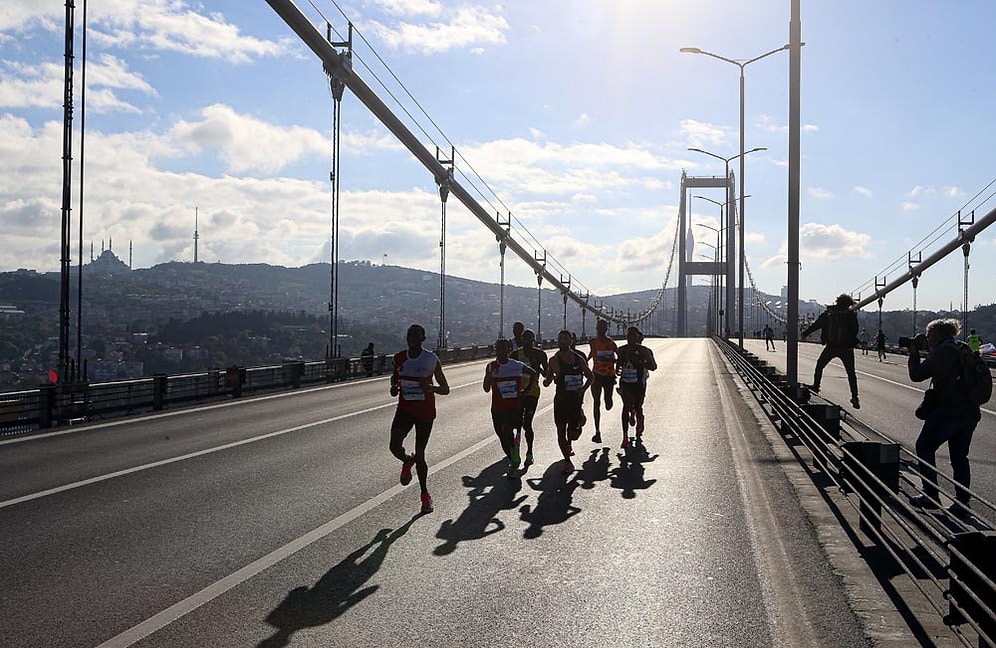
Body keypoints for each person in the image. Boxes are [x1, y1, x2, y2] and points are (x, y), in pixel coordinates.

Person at [906, 318, 982, 518]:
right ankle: (962, 503)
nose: (927, 339)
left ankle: (931, 495)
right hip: (970, 411)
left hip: (948, 411)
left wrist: (914, 354)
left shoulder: (943, 352)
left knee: (924, 447)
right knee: (959, 456)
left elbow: (917, 375)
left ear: (937, 335)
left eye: (929, 335)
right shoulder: (963, 347)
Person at [389, 324, 450, 514]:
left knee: (421, 454)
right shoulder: (399, 358)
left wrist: (430, 389)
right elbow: (395, 377)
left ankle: (425, 495)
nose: (412, 339)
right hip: (405, 409)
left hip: (425, 413)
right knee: (393, 446)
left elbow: (445, 389)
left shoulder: (431, 359)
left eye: (416, 336)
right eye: (409, 335)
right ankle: (407, 460)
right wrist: (394, 387)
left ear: (423, 339)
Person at [483, 338, 536, 477]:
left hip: (514, 407)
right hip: (497, 408)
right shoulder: (491, 366)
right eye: (498, 348)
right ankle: (513, 457)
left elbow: (533, 373)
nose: (500, 351)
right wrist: (490, 375)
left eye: (503, 349)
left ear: (508, 350)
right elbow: (486, 389)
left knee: (506, 429)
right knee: (501, 436)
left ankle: (514, 456)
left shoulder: (516, 365)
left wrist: (526, 390)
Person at [544, 330, 593, 473]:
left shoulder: (578, 359)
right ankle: (567, 461)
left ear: (571, 341)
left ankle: (579, 422)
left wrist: (583, 390)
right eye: (560, 339)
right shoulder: (553, 360)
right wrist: (547, 380)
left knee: (573, 434)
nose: (562, 341)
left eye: (566, 339)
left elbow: (590, 377)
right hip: (560, 401)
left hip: (575, 401)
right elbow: (547, 381)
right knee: (560, 432)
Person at [801, 293, 861, 409]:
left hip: (831, 346)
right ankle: (854, 396)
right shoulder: (851, 315)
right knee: (851, 373)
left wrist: (805, 334)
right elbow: (855, 330)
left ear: (837, 302)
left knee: (820, 366)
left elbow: (816, 325)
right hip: (846, 348)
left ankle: (816, 386)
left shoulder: (829, 314)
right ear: (849, 304)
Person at [510, 328, 548, 466]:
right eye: (524, 341)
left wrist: (538, 367)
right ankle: (517, 446)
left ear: (533, 341)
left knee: (527, 424)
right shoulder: (515, 354)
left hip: (532, 392)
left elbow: (546, 375)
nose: (527, 344)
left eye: (529, 341)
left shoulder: (540, 354)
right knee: (517, 423)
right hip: (518, 393)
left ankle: (530, 452)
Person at [616, 326, 658, 448]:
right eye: (628, 336)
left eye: (633, 336)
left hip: (639, 382)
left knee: (638, 406)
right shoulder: (622, 350)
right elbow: (618, 363)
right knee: (626, 406)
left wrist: (640, 361)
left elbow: (653, 366)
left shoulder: (644, 351)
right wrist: (616, 369)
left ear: (638, 337)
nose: (630, 338)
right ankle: (624, 436)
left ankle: (640, 418)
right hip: (625, 382)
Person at [587, 318, 618, 444]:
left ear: (606, 329)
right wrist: (583, 362)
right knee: (596, 402)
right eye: (599, 326)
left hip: (609, 375)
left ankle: (609, 400)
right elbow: (591, 353)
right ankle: (597, 432)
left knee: (608, 403)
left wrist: (616, 363)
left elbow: (619, 355)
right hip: (596, 375)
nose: (601, 329)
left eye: (603, 327)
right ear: (596, 328)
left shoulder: (611, 343)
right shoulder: (592, 341)